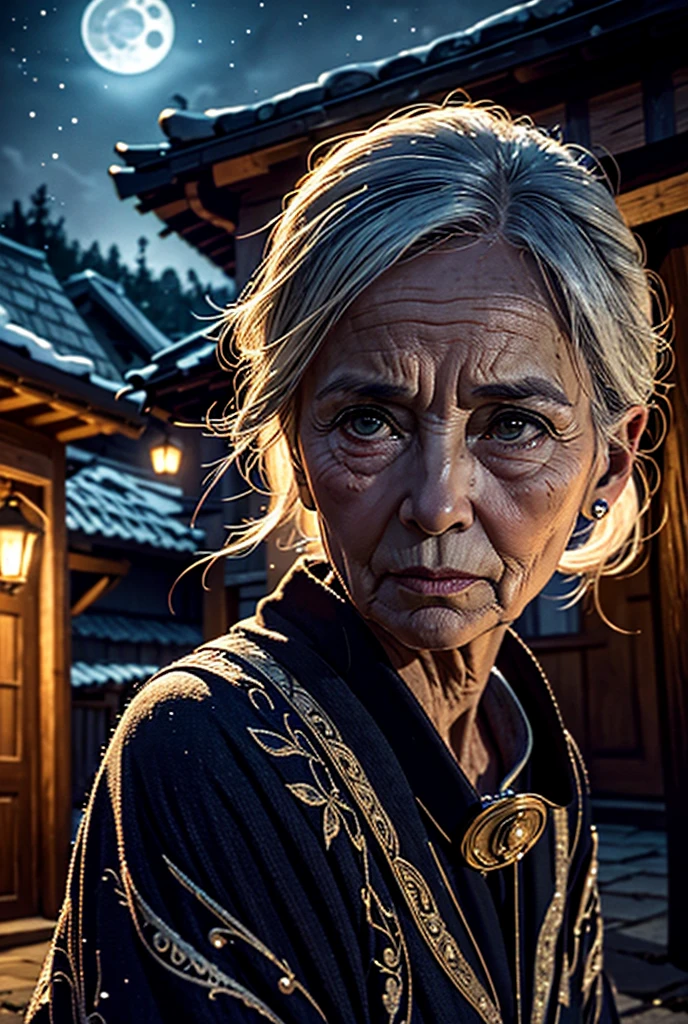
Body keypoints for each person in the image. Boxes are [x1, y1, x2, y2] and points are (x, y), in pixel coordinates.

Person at [28, 99, 664, 1024]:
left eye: (515, 426)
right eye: (369, 421)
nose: (438, 500)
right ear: (297, 442)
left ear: (607, 462)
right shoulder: (204, 745)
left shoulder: (531, 744)